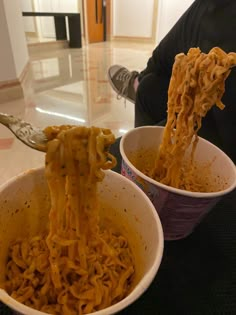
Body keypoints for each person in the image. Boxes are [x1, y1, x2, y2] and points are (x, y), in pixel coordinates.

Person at [108, 0, 236, 168]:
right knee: (149, 88)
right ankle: (141, 82)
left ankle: (138, 81)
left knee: (98, 164)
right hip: (213, 115)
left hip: (222, 133)